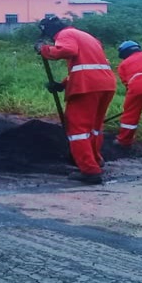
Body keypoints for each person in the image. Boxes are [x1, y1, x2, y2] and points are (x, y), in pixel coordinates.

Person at [35, 16, 116, 185]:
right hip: (105, 84)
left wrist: (44, 49)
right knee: (94, 127)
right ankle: (95, 159)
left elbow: (68, 51)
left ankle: (89, 170)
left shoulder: (65, 34)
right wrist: (63, 84)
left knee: (77, 128)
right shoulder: (86, 36)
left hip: (87, 86)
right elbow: (87, 65)